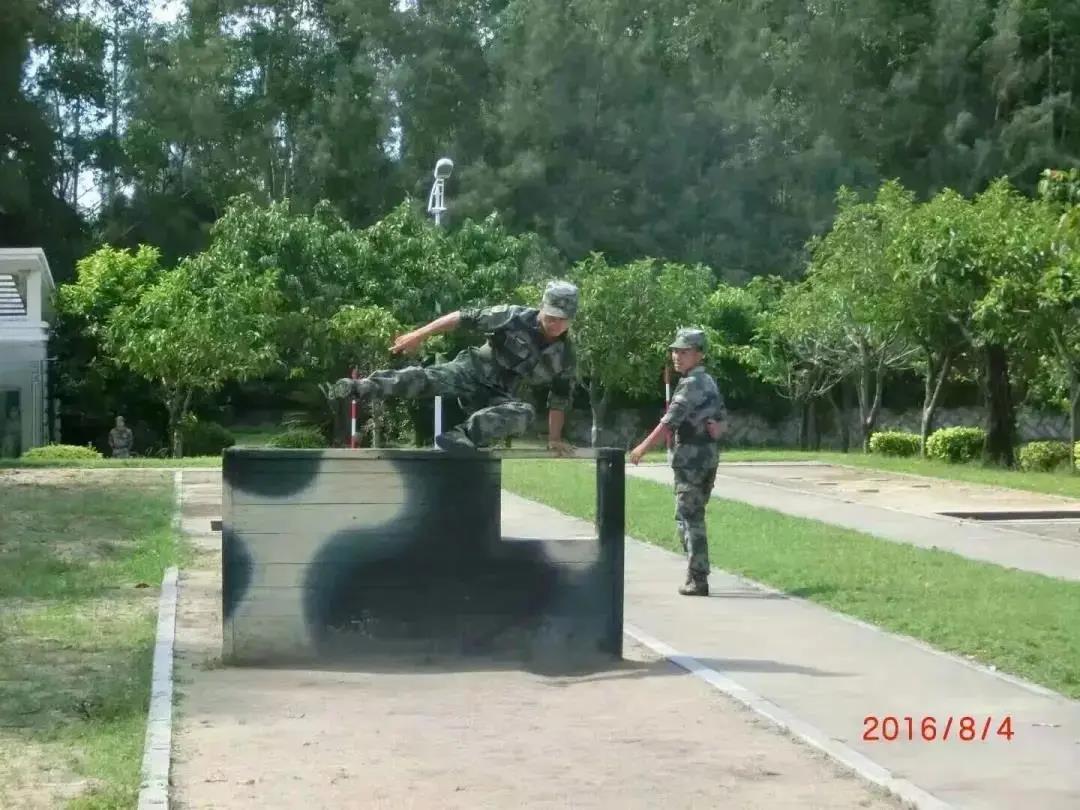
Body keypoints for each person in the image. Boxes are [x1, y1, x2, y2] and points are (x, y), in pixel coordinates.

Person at [330, 281, 579, 455]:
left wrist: (554, 439)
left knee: (524, 413)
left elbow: (559, 398)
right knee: (425, 380)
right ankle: (360, 387)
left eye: (562, 320)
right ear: (542, 308)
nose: (555, 325)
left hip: (498, 394)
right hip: (471, 369)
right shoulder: (514, 316)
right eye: (551, 317)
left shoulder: (566, 355)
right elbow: (463, 317)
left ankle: (462, 436)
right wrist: (419, 334)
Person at [629, 328, 727, 596]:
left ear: (699, 354)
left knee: (689, 518)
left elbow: (669, 422)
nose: (677, 356)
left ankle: (698, 578)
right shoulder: (709, 381)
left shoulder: (691, 383)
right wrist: (715, 429)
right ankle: (697, 574)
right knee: (691, 515)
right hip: (708, 458)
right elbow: (722, 422)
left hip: (690, 462)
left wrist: (642, 448)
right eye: (675, 351)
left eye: (684, 352)